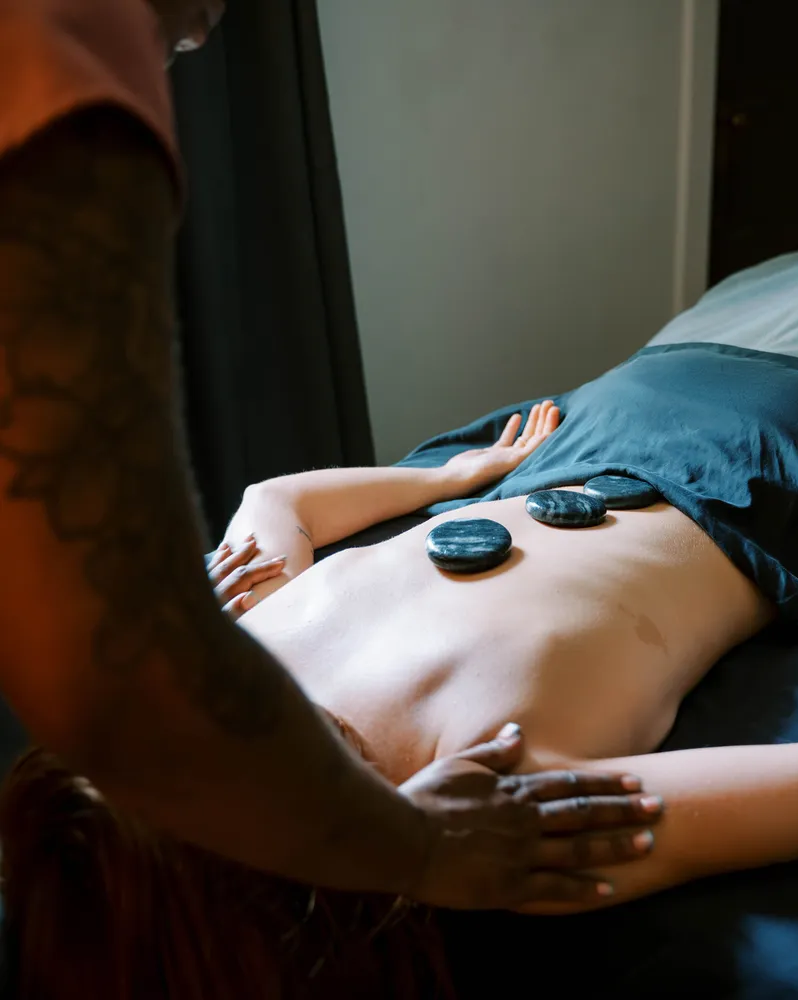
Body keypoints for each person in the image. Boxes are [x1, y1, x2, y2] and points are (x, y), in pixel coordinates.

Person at [0, 0, 660, 950]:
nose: (210, 31)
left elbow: (243, 524)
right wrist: (420, 848)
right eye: (184, 31)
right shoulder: (62, 53)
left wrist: (459, 475)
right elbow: (120, 682)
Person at [0, 388, 798, 996]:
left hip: (596, 439)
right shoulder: (515, 813)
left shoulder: (227, 645)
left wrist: (460, 473)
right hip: (758, 467)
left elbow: (272, 502)